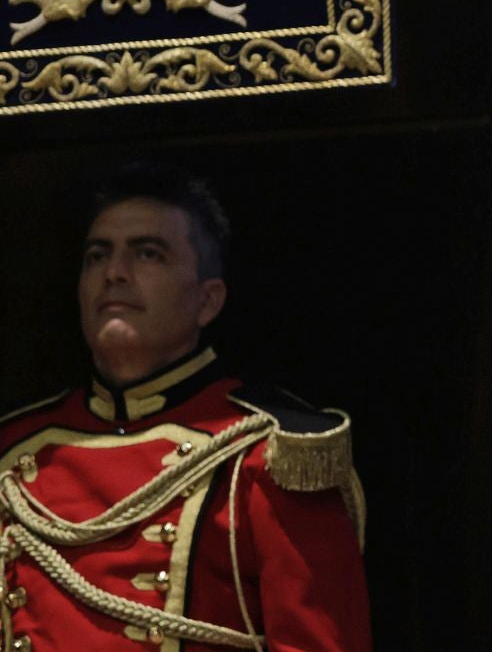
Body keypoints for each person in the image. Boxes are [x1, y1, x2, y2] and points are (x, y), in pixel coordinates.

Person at [0, 162, 371, 651]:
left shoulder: (268, 453)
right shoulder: (12, 450)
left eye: (147, 254)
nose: (114, 273)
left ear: (207, 301)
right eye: (97, 256)